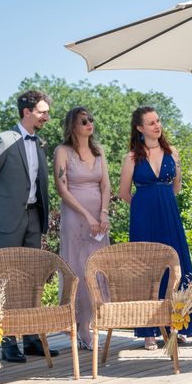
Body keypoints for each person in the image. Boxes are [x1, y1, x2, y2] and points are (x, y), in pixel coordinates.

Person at [119, 106, 192, 349]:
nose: (157, 126)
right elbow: (123, 192)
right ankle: (149, 330)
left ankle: (177, 325)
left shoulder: (173, 153)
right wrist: (143, 207)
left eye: (158, 121)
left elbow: (176, 187)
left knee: (176, 266)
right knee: (147, 270)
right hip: (143, 218)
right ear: (139, 128)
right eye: (151, 123)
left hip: (169, 215)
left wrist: (163, 201)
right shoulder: (131, 157)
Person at [0, 90, 59, 363]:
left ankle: (30, 339)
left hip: (33, 219)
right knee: (5, 282)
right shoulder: (4, 139)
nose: (46, 116)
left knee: (31, 281)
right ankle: (6, 342)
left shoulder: (39, 143)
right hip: (6, 220)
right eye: (42, 112)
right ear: (27, 112)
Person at [54, 107, 111, 350]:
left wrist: (103, 213)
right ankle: (80, 328)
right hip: (75, 218)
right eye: (83, 121)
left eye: (91, 119)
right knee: (77, 268)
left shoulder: (99, 152)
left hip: (99, 221)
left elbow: (106, 185)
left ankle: (94, 321)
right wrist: (87, 215)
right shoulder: (62, 151)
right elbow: (62, 188)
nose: (89, 123)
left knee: (95, 268)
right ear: (73, 126)